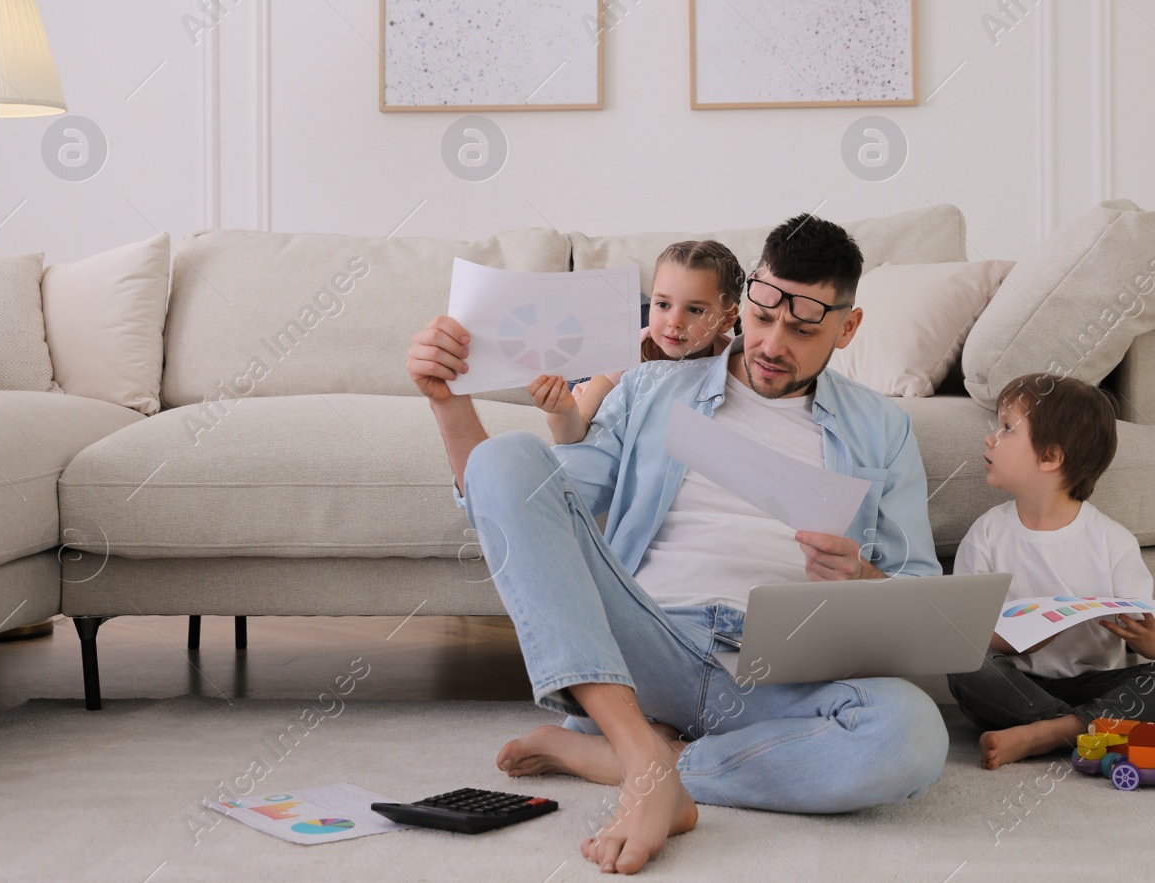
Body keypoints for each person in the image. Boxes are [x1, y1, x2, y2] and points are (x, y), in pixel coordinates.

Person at [405, 214, 947, 875]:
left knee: (912, 735)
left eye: (803, 330)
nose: (773, 343)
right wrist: (447, 401)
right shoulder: (648, 387)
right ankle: (641, 750)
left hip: (779, 671)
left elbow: (922, 597)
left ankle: (637, 759)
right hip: (651, 640)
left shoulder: (883, 429)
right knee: (506, 458)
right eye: (761, 316)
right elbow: (536, 500)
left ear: (848, 327)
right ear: (746, 298)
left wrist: (864, 578)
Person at [946, 372, 1155, 770]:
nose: (990, 438)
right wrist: (1011, 641)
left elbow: (1148, 643)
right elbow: (964, 632)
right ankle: (1100, 731)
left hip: (1093, 685)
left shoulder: (1112, 541)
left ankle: (1045, 735)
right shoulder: (988, 534)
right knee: (965, 664)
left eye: (1008, 429)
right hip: (1019, 685)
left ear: (1050, 457)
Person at [529, 240, 742, 444]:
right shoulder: (624, 355)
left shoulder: (732, 363)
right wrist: (563, 412)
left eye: (694, 309)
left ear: (727, 319)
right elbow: (571, 436)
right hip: (614, 356)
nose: (675, 322)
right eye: (663, 303)